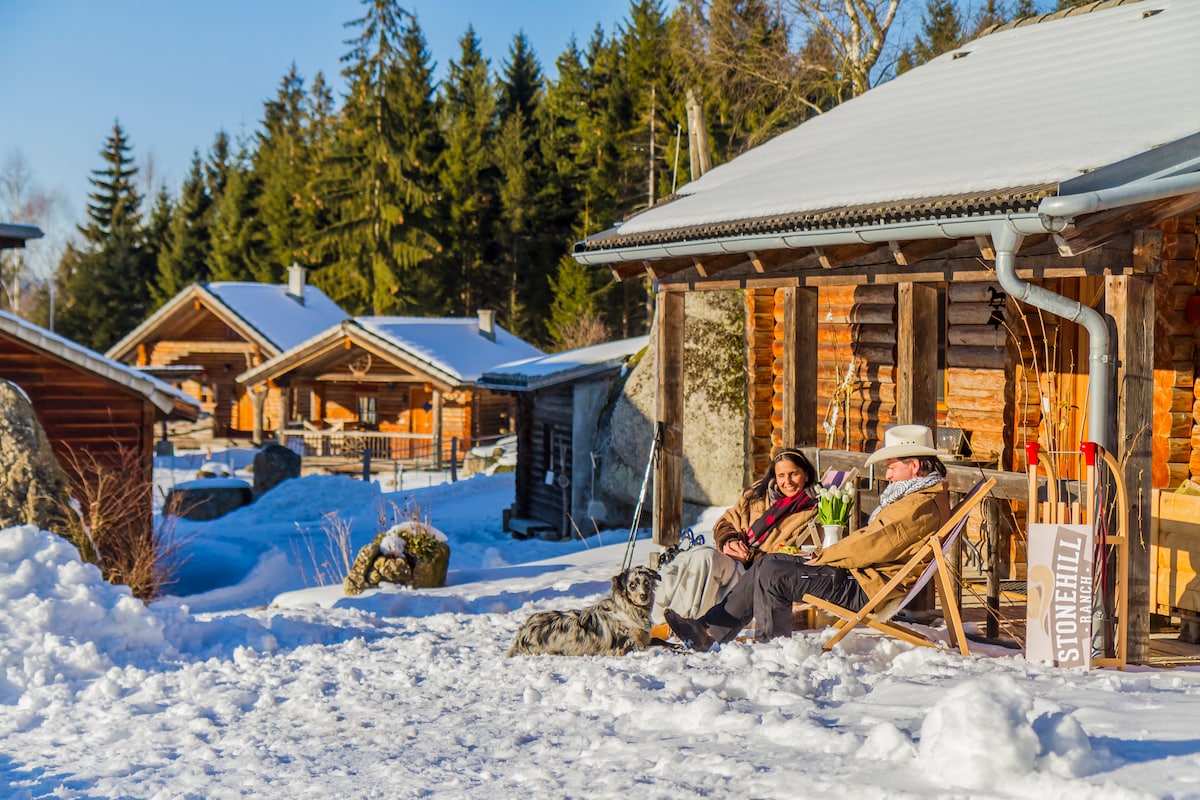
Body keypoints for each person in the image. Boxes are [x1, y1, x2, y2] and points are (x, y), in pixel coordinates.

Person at [664, 425, 951, 650]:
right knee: (771, 564)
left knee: (774, 572)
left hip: (865, 587)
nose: (887, 475)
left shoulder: (918, 506)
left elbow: (872, 544)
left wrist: (823, 556)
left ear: (914, 466)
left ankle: (770, 647)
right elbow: (875, 541)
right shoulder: (917, 499)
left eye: (892, 466)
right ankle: (709, 630)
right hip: (862, 577)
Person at [651, 449, 820, 628]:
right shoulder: (757, 495)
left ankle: (682, 624)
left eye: (794, 474)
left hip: (754, 574)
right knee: (693, 558)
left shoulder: (809, 511)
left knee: (706, 558)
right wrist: (729, 540)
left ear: (806, 474)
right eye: (782, 475)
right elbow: (725, 522)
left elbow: (789, 557)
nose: (787, 482)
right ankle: (665, 622)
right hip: (730, 559)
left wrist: (749, 555)